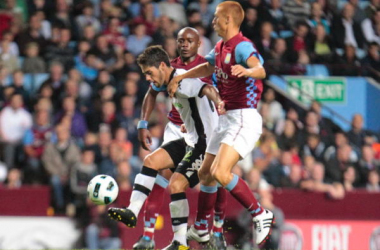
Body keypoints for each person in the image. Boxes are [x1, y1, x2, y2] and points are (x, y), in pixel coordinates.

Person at [168, 1, 274, 246]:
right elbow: (206, 66)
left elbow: (260, 69)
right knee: (205, 174)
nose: (213, 21)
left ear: (228, 20)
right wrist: (182, 76)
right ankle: (203, 227)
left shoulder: (242, 46)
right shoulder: (219, 47)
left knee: (219, 172)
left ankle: (260, 213)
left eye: (216, 17)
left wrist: (247, 71)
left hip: (243, 118)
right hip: (225, 119)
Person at [108, 45, 225, 250]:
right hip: (190, 139)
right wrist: (143, 124)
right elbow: (152, 94)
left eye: (149, 73)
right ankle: (132, 211)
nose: (147, 78)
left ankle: (183, 241)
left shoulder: (183, 80)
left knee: (176, 185)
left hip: (206, 145)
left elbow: (206, 89)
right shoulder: (171, 79)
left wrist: (219, 102)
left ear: (162, 66)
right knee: (151, 161)